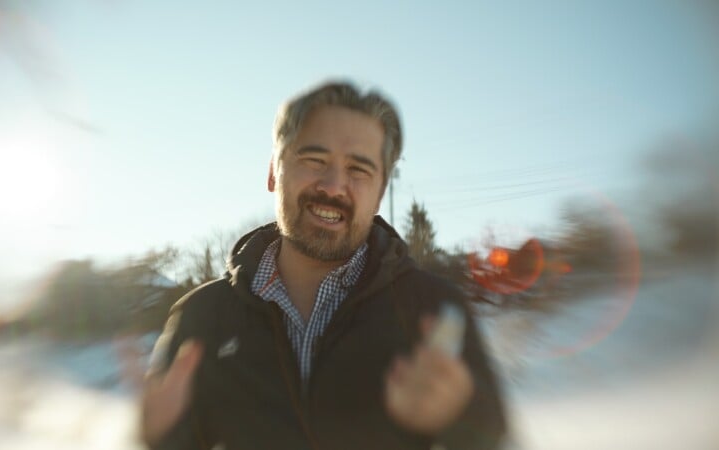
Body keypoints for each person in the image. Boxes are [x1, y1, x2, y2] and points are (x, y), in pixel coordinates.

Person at [141, 81, 507, 450]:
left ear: (380, 193)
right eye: (314, 160)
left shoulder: (435, 310)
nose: (333, 187)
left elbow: (493, 438)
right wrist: (160, 437)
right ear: (273, 171)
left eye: (359, 170)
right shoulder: (201, 316)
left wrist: (459, 420)